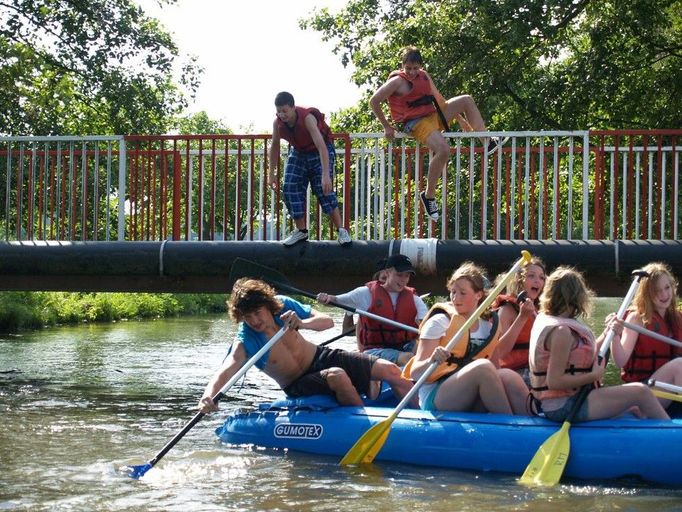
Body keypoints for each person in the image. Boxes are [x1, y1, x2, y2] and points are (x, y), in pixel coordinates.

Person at [198, 278, 414, 412]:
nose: (254, 321)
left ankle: (423, 416)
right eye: (247, 316)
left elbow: (327, 321)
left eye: (257, 313)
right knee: (337, 375)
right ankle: (362, 423)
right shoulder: (246, 341)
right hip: (297, 382)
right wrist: (209, 396)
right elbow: (226, 370)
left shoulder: (282, 306)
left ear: (267, 306)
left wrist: (302, 323)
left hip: (320, 356)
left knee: (390, 369)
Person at [369, 46, 507, 222]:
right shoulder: (396, 81)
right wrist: (387, 126)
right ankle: (429, 195)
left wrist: (460, 119)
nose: (412, 72)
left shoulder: (424, 76)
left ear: (420, 66)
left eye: (415, 68)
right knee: (443, 149)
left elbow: (440, 101)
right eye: (408, 68)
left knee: (466, 100)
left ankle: (487, 142)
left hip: (431, 116)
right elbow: (374, 101)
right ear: (402, 66)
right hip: (414, 122)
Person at [528, 266, 669, 423]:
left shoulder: (548, 319)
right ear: (576, 297)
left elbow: (583, 352)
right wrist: (593, 376)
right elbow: (555, 381)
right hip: (564, 406)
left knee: (634, 406)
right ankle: (675, 438)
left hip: (568, 400)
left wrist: (609, 332)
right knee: (641, 392)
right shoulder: (562, 331)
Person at [402, 262, 530, 415]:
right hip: (437, 395)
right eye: (453, 292)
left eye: (462, 293)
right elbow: (416, 373)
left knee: (508, 376)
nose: (456, 298)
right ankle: (508, 427)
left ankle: (531, 428)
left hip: (472, 391)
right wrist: (432, 360)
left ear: (478, 295)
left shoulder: (488, 328)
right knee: (483, 368)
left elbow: (496, 369)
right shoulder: (439, 323)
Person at [268, 91, 352, 246]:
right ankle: (301, 231)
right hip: (299, 151)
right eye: (278, 111)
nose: (282, 115)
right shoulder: (277, 124)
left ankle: (342, 230)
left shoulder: (307, 118)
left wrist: (325, 175)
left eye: (284, 111)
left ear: (293, 107)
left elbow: (321, 146)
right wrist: (271, 173)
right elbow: (274, 147)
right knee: (289, 186)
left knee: (324, 189)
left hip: (319, 151)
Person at [317, 254, 428, 366]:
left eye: (407, 276)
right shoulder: (365, 294)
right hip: (374, 350)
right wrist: (326, 298)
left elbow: (428, 325)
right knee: (408, 357)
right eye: (399, 275)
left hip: (404, 346)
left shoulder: (414, 299)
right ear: (387, 272)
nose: (404, 280)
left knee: (426, 348)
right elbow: (336, 300)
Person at [611, 262, 682, 408]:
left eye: (667, 288)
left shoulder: (677, 318)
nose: (664, 294)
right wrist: (615, 334)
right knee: (679, 365)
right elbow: (620, 361)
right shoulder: (637, 319)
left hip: (667, 389)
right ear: (647, 294)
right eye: (656, 291)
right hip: (643, 391)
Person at [494, 257, 547, 379]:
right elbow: (499, 352)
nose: (537, 281)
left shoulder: (540, 311)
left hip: (536, 368)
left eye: (541, 277)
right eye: (531, 276)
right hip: (515, 371)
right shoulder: (508, 309)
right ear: (519, 280)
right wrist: (522, 317)